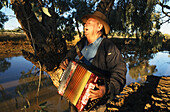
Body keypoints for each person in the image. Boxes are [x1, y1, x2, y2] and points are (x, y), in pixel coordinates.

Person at [59, 11, 127, 112]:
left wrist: (108, 89)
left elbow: (120, 71)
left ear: (99, 27)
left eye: (89, 22)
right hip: (73, 98)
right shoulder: (80, 44)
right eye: (85, 23)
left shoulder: (109, 47)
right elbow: (68, 57)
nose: (85, 24)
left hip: (95, 104)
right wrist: (65, 62)